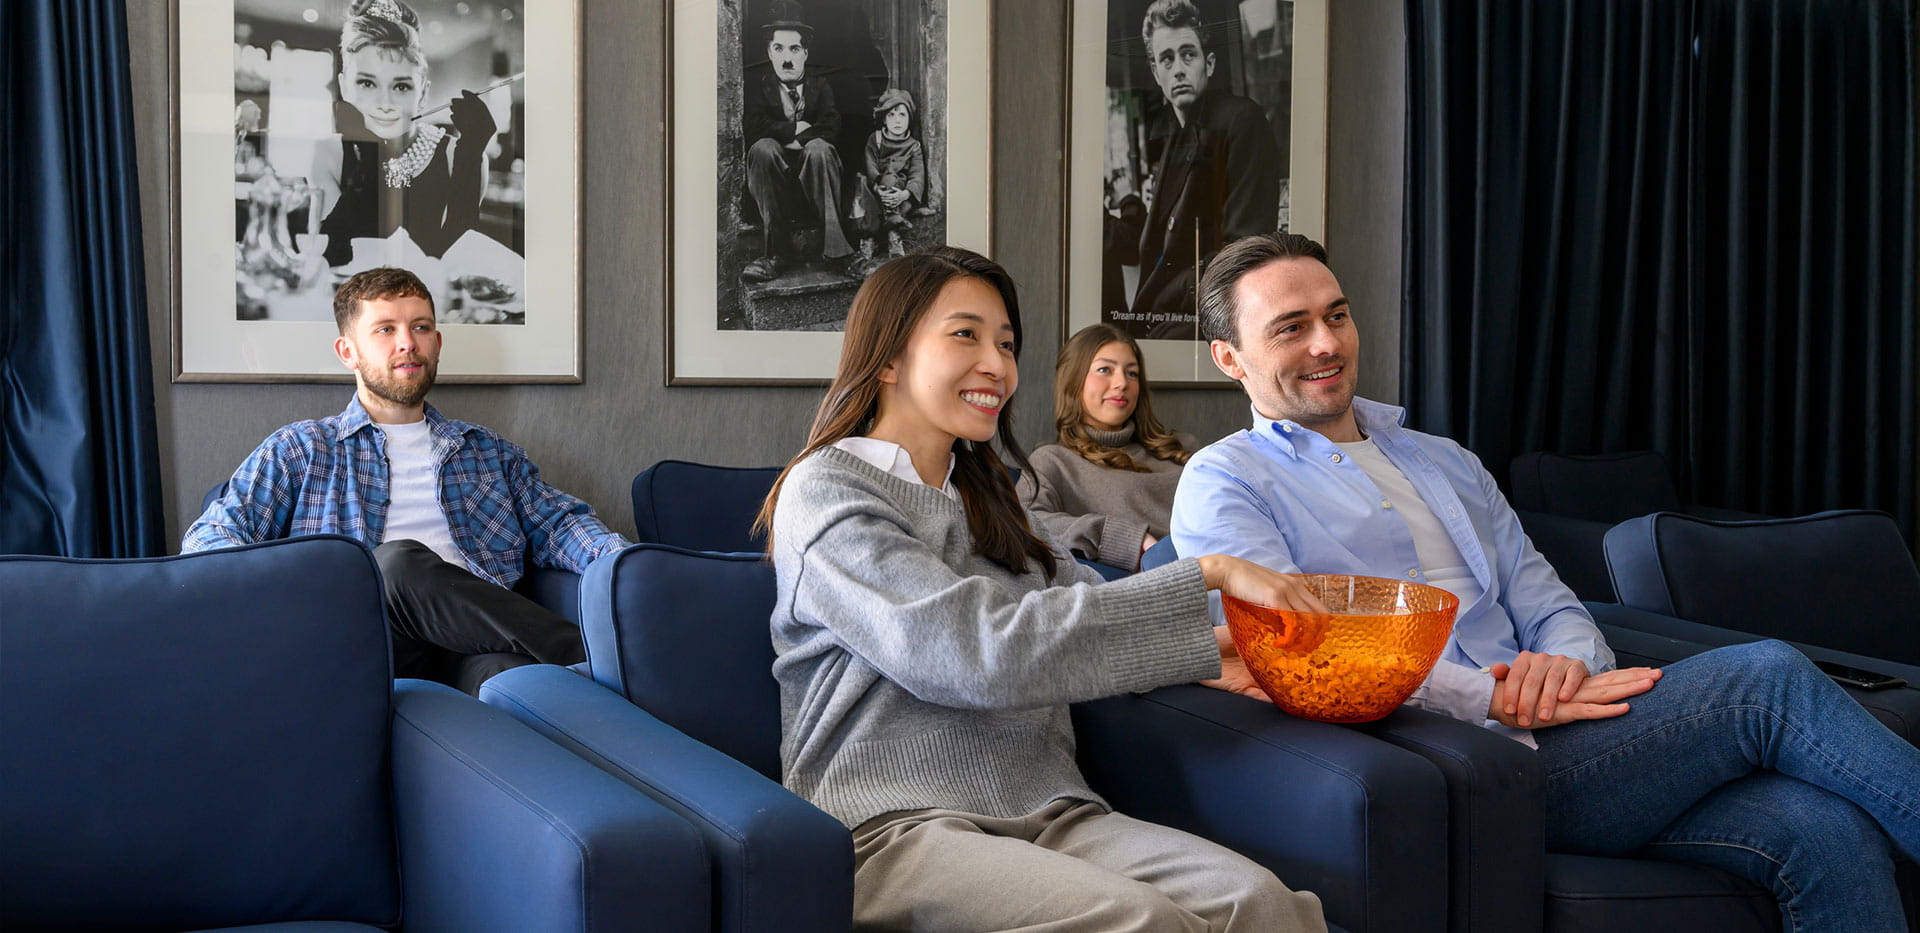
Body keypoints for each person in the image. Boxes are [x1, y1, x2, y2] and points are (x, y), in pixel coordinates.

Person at [1170, 232, 1920, 928]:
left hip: (1574, 729)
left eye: (1336, 314)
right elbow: (1306, 649)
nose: (1327, 343)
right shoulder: (1225, 481)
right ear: (1230, 358)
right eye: (1290, 327)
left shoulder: (1444, 459)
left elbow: (1547, 597)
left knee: (1827, 829)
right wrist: (1491, 695)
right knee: (1766, 677)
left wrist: (1568, 668)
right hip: (1469, 760)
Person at [753, 246, 1326, 931]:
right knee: (1139, 921)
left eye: (1007, 342)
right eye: (966, 334)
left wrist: (1217, 651)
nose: (997, 363)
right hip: (893, 826)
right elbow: (972, 650)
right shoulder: (827, 489)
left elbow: (1074, 613)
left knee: (1262, 903)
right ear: (888, 357)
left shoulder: (996, 500)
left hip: (1050, 807)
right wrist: (1208, 572)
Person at [183, 267, 626, 694]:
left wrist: (634, 568)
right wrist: (305, 584)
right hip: (361, 643)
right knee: (392, 565)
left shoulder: (489, 453)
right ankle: (610, 660)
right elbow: (210, 540)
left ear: (437, 343)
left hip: (472, 642)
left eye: (420, 328)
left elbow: (561, 525)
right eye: (385, 330)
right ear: (347, 352)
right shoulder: (302, 449)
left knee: (514, 684)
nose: (407, 344)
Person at [1114, 0, 1281, 339]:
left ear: (1210, 64)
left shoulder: (1239, 121)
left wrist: (1160, 304)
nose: (1178, 68)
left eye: (1188, 54)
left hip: (1202, 319)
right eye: (1167, 58)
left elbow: (1242, 249)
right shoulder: (1176, 135)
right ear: (1155, 72)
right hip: (1167, 315)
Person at [309, 0, 496, 269]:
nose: (384, 102)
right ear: (344, 87)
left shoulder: (460, 156)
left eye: (401, 87)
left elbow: (458, 264)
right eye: (367, 82)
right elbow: (334, 256)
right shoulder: (329, 153)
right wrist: (371, 156)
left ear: (423, 94)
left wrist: (470, 157)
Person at [1017, 323, 1195, 572]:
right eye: (1104, 370)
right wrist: (1120, 538)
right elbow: (1023, 522)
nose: (1122, 383)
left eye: (1132, 373)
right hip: (1163, 579)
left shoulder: (1184, 448)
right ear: (1073, 381)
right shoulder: (1053, 460)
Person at [740, 1, 855, 282]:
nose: (787, 58)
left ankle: (839, 252)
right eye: (778, 49)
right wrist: (794, 131)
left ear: (805, 53)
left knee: (820, 148)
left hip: (817, 187)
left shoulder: (820, 85)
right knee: (763, 148)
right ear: (769, 52)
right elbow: (754, 127)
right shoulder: (760, 85)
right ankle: (774, 254)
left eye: (794, 49)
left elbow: (832, 126)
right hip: (772, 189)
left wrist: (802, 138)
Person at [849, 88, 929, 273]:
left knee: (892, 179)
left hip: (899, 197)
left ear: (910, 118)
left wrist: (905, 194)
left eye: (902, 114)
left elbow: (917, 175)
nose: (897, 120)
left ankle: (893, 235)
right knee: (862, 186)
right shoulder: (875, 139)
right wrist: (877, 188)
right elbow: (870, 166)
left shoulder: (913, 146)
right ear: (884, 119)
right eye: (891, 115)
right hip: (876, 192)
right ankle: (872, 237)